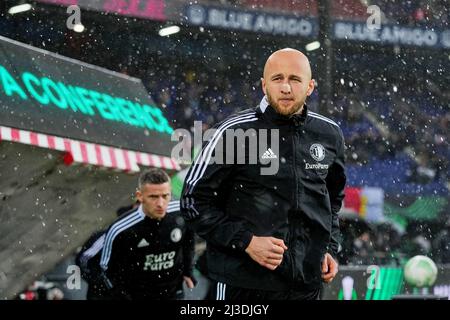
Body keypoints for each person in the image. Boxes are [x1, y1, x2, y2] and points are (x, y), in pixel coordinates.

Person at [180, 48, 346, 300]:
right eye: (277, 79)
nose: (286, 88)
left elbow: (331, 202)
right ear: (263, 85)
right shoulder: (232, 132)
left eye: (295, 79)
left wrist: (329, 248)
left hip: (306, 286)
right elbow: (192, 202)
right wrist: (246, 241)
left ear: (310, 86)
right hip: (243, 286)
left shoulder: (329, 134)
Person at [83, 168, 196, 300]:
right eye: (153, 197)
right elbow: (105, 270)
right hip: (136, 295)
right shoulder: (120, 229)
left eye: (165, 196)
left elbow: (189, 240)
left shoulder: (181, 212)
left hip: (171, 293)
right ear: (140, 196)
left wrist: (188, 270)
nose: (160, 204)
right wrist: (121, 296)